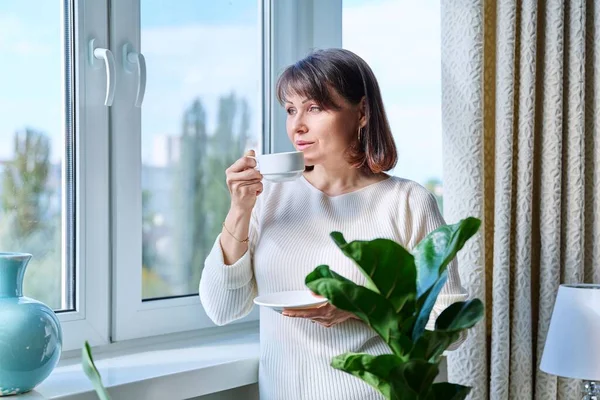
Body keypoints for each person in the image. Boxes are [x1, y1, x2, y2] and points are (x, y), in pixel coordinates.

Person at [199, 48, 467, 400]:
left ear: (362, 113)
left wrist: (360, 309)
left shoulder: (407, 202)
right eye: (291, 110)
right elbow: (222, 308)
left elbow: (450, 326)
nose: (297, 125)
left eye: (314, 108)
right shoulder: (269, 198)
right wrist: (239, 209)